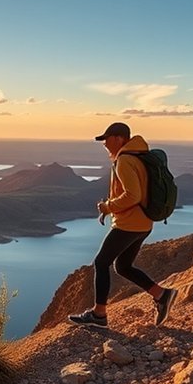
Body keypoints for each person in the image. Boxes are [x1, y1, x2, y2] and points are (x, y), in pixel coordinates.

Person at [68, 122, 176, 328]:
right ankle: (162, 295)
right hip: (144, 223)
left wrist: (108, 207)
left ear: (119, 138)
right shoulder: (139, 156)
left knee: (101, 263)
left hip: (129, 223)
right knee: (123, 266)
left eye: (106, 139)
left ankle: (99, 315)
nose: (104, 144)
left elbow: (132, 195)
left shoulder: (125, 160)